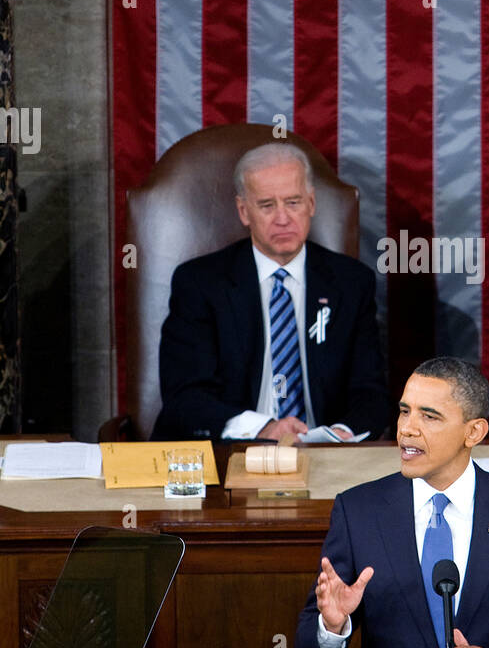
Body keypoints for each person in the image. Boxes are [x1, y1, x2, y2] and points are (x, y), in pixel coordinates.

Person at [294, 357, 489, 648]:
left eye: (429, 416)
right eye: (404, 411)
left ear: (474, 431)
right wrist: (332, 624)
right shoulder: (358, 511)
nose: (407, 429)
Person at [152, 143, 390, 441]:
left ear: (311, 203)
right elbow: (185, 397)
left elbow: (370, 394)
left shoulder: (351, 283)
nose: (282, 218)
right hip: (231, 453)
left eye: (293, 202)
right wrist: (262, 429)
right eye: (267, 205)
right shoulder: (201, 284)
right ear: (244, 211)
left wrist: (341, 434)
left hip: (323, 458)